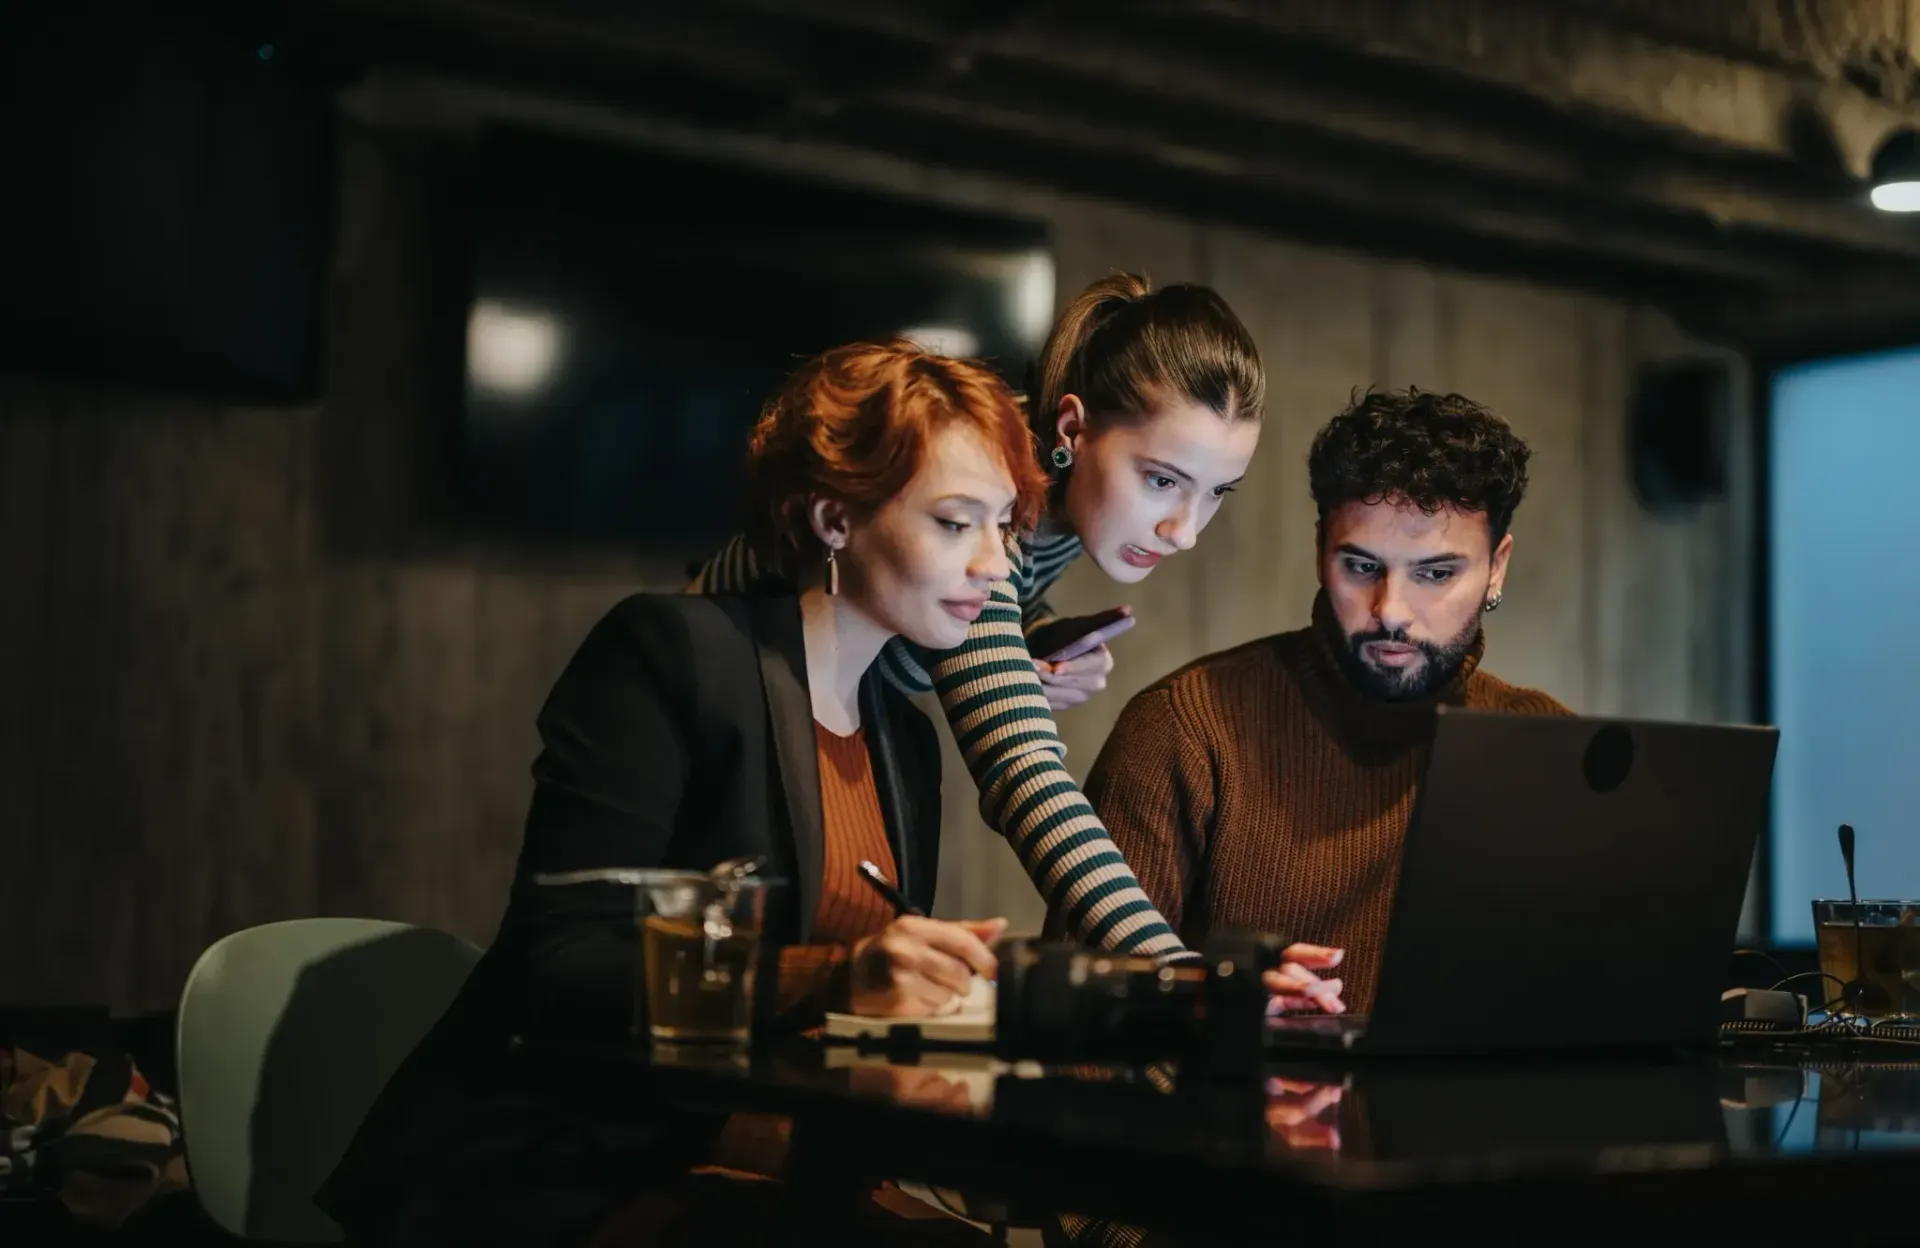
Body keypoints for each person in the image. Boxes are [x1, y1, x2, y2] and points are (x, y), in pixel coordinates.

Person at [318, 342, 1054, 1247]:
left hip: (756, 1159)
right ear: (831, 518)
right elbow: (564, 963)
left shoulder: (904, 742)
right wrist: (841, 978)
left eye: (1006, 527)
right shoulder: (670, 653)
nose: (995, 564)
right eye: (955, 523)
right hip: (565, 1169)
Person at [693, 275, 1343, 1009]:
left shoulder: (1045, 509)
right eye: (1162, 480)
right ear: (1069, 431)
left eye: (1217, 492)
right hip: (732, 744)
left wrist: (1026, 641)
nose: (1185, 529)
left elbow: (992, 608)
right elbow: (1027, 772)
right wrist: (1181, 974)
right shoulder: (990, 501)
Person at [1070, 388, 1572, 1016]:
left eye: (1436, 574)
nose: (1391, 610)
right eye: (1361, 566)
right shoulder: (1187, 728)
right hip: (1231, 1115)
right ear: (1319, 550)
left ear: (1497, 568)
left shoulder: (1552, 750)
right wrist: (1218, 1012)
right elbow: (1073, 1023)